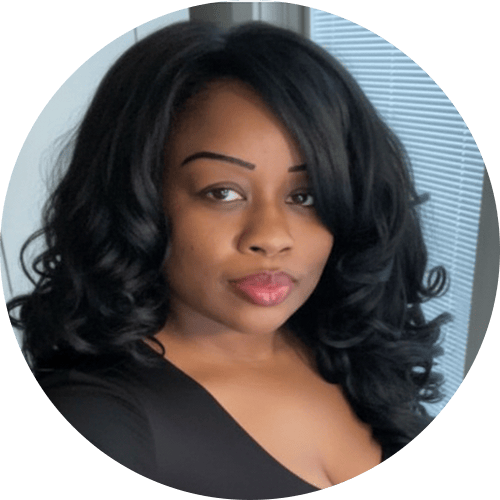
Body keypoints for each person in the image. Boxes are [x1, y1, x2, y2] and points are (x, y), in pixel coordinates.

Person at [7, 20, 450, 499]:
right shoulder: (98, 422)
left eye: (305, 196)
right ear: (140, 201)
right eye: (223, 192)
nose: (272, 237)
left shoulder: (350, 344)